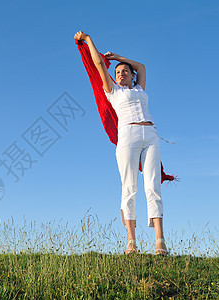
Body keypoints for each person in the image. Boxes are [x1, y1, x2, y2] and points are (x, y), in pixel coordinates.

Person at [74, 31, 168, 256]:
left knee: (152, 187)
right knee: (130, 188)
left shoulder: (139, 88)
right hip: (128, 136)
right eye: (117, 72)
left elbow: (142, 67)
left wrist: (119, 58)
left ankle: (160, 242)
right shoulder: (112, 91)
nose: (121, 73)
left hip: (151, 135)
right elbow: (98, 64)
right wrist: (88, 40)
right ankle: (131, 242)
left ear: (131, 75)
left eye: (125, 71)